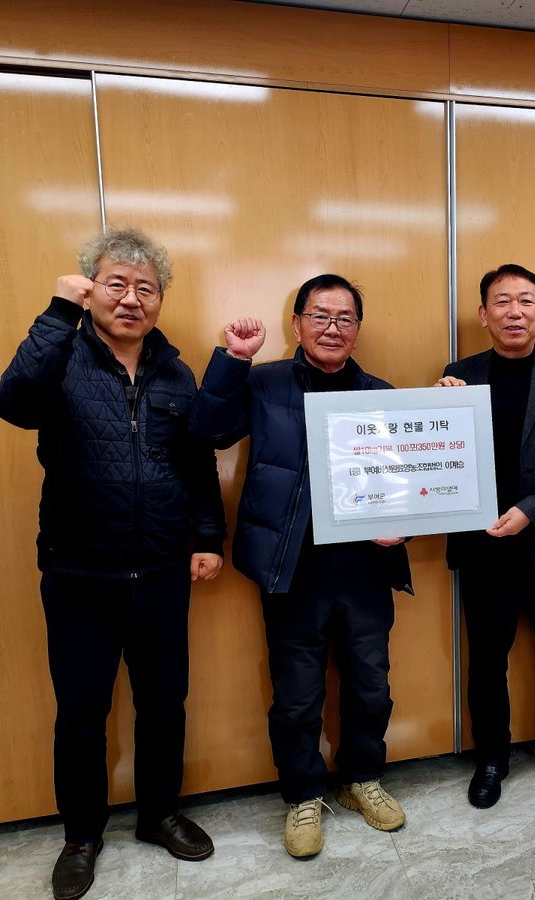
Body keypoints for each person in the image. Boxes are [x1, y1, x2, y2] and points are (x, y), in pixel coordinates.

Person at [0, 228, 226, 900]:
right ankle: (80, 837)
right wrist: (57, 312)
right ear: (90, 290)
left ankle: (159, 814)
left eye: (145, 288)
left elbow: (199, 463)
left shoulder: (175, 372)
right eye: (115, 284)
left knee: (164, 705)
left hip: (162, 571)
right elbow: (10, 403)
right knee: (81, 713)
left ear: (160, 300)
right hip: (79, 574)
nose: (131, 299)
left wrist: (208, 536)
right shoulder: (60, 357)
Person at [189, 275, 412, 859]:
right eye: (320, 316)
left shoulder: (381, 393)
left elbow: (406, 479)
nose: (332, 328)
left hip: (364, 568)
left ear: (358, 330)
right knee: (296, 696)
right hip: (290, 568)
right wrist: (233, 361)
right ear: (297, 324)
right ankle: (302, 795)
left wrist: (404, 524)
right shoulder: (262, 383)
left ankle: (363, 778)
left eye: (344, 318)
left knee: (370, 686)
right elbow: (207, 431)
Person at [436, 264, 535, 808]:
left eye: (526, 301)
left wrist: (531, 510)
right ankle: (491, 758)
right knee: (487, 662)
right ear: (483, 314)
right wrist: (437, 407)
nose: (515, 312)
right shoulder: (458, 376)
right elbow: (438, 453)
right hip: (484, 548)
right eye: (502, 302)